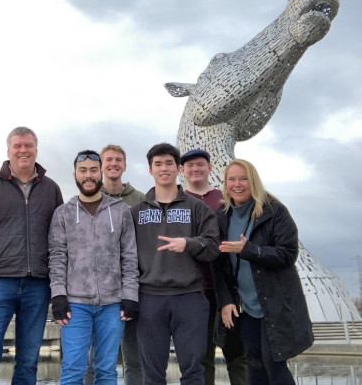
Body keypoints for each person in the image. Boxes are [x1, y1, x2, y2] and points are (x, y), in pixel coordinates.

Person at [0, 126, 63, 385]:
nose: (23, 150)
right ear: (8, 151)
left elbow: (59, 241)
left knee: (29, 359)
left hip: (38, 285)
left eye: (28, 145)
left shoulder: (51, 189)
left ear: (36, 149)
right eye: (18, 146)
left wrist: (57, 284)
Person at [212, 159, 313, 385]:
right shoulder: (221, 216)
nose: (237, 184)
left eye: (243, 178)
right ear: (225, 184)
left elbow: (288, 254)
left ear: (253, 181)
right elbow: (218, 265)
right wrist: (225, 301)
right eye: (232, 179)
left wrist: (248, 249)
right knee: (254, 364)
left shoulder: (274, 211)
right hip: (246, 307)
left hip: (274, 304)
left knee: (274, 363)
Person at [130, 143, 219, 385]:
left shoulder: (197, 208)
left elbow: (213, 247)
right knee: (152, 374)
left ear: (178, 168)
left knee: (192, 372)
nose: (164, 168)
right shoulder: (135, 212)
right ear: (150, 170)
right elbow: (125, 256)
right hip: (149, 298)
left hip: (189, 297)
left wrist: (188, 244)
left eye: (169, 163)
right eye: (157, 164)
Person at [49, 150, 138, 385]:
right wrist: (58, 295)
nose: (88, 175)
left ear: (101, 173)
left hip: (112, 304)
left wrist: (130, 296)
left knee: (107, 370)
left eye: (93, 170)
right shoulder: (63, 213)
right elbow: (57, 257)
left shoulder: (120, 211)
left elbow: (129, 256)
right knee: (71, 370)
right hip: (75, 304)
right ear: (75, 175)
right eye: (83, 170)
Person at [180, 149, 247, 385]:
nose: (195, 169)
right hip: (194, 290)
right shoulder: (178, 202)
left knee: (238, 355)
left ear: (209, 168)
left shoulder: (225, 199)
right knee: (200, 357)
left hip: (227, 288)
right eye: (190, 166)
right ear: (182, 171)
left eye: (200, 164)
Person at [87, 144, 144, 385]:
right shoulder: (87, 197)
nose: (113, 164)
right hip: (96, 291)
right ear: (101, 166)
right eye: (108, 159)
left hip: (132, 289)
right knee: (94, 359)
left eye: (118, 159)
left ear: (125, 165)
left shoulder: (141, 199)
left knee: (134, 358)